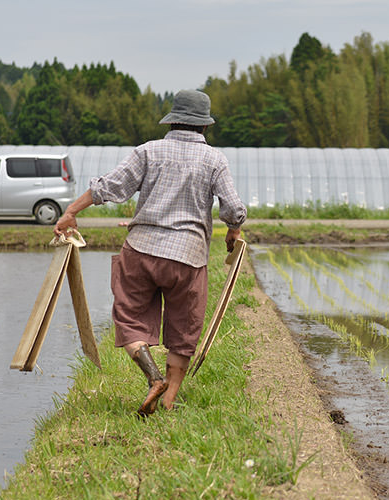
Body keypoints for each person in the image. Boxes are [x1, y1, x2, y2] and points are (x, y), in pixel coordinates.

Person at [54, 89, 246, 416]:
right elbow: (233, 208)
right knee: (184, 329)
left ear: (172, 121)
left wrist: (72, 210)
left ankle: (152, 377)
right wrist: (234, 228)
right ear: (204, 126)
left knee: (128, 318)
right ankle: (168, 399)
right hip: (188, 256)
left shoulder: (148, 151)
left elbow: (109, 186)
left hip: (141, 250)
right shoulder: (215, 159)